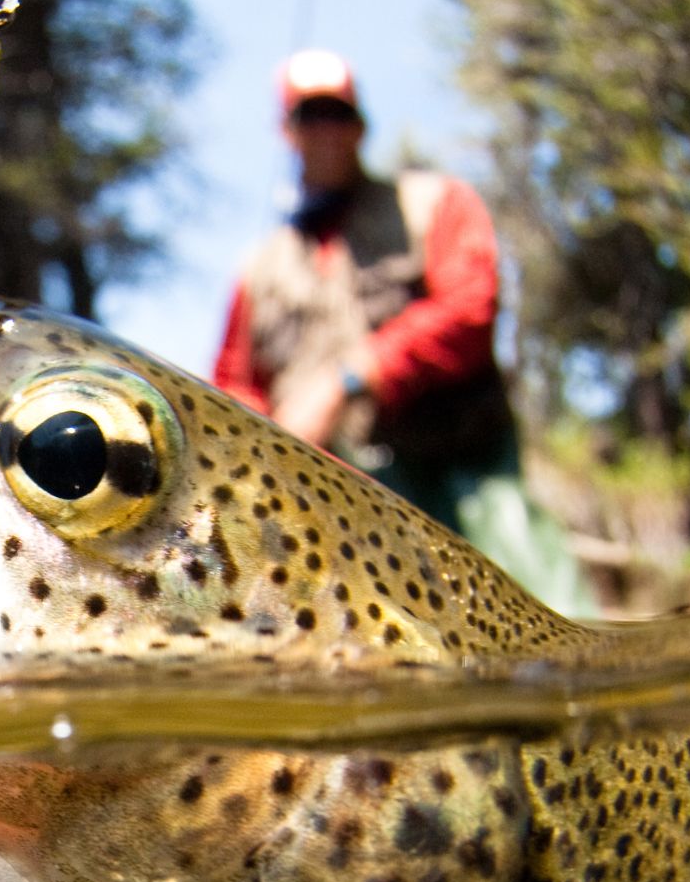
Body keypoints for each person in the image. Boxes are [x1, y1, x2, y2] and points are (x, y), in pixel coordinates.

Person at [213, 50, 592, 614]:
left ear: (361, 126)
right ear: (286, 131)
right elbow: (232, 385)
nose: (325, 130)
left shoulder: (435, 203)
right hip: (338, 515)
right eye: (309, 116)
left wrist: (350, 378)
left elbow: (470, 310)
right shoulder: (258, 271)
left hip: (467, 478)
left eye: (336, 114)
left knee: (548, 621)